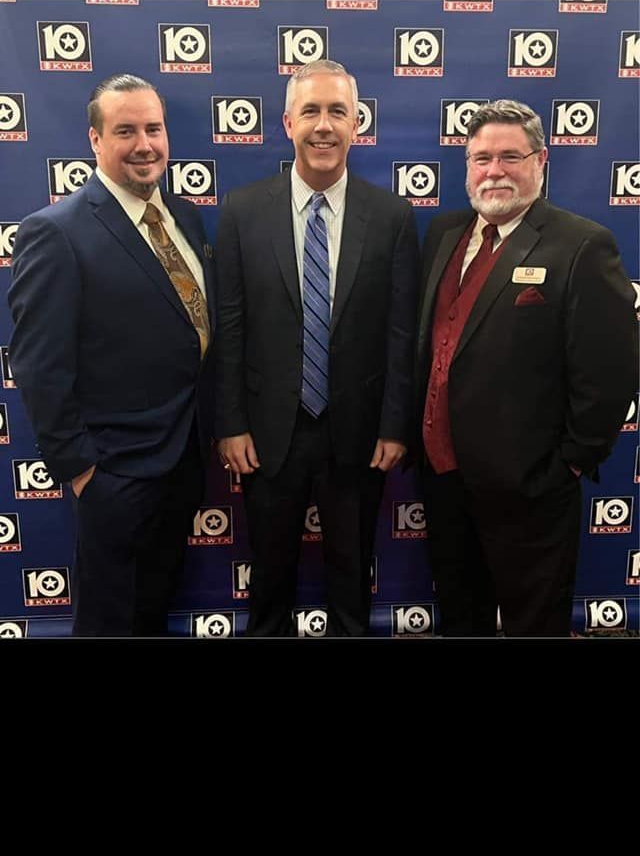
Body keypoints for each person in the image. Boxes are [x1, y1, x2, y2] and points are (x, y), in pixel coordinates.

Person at [414, 98, 638, 637]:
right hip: (444, 481)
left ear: (541, 161)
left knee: (534, 624)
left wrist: (570, 463)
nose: (494, 171)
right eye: (480, 158)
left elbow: (610, 370)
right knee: (460, 617)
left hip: (532, 489)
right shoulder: (444, 235)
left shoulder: (581, 245)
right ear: (466, 166)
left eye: (510, 157)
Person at [214, 58, 419, 636]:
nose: (324, 125)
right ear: (287, 122)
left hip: (358, 434)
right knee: (270, 583)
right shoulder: (241, 211)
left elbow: (401, 332)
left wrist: (395, 424)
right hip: (266, 432)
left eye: (337, 111)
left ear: (357, 123)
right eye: (311, 111)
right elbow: (229, 326)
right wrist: (231, 422)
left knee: (351, 580)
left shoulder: (393, 217)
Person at [8, 74, 215, 636]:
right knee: (108, 621)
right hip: (114, 474)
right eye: (126, 130)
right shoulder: (56, 232)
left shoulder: (183, 217)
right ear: (96, 140)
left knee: (152, 610)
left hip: (182, 462)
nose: (144, 143)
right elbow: (38, 365)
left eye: (154, 128)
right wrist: (83, 471)